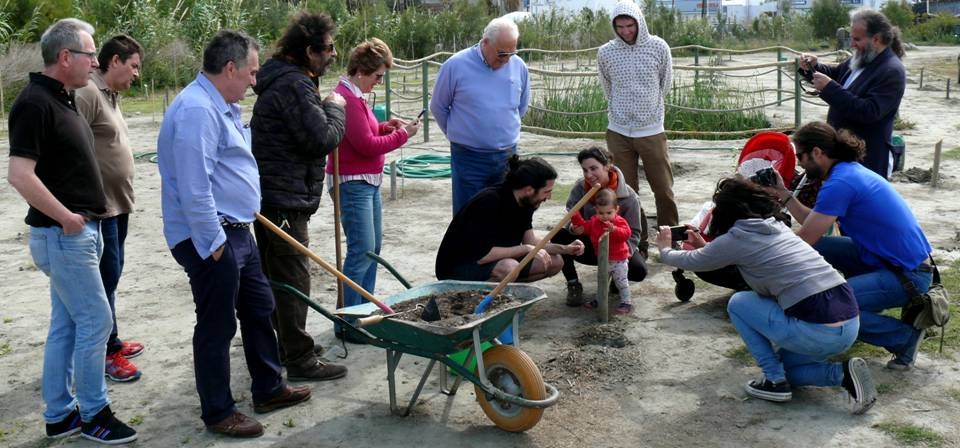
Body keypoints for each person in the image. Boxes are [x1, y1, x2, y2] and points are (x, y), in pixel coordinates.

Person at [158, 30, 311, 438]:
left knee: (260, 310)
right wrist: (215, 247)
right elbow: (195, 188)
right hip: (210, 238)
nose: (254, 81)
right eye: (251, 72)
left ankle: (269, 387)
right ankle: (218, 411)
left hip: (236, 231)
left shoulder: (219, 103)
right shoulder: (196, 110)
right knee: (217, 325)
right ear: (230, 68)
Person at [7, 18, 137, 444]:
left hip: (80, 232)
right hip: (63, 236)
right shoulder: (34, 103)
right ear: (65, 58)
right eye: (89, 54)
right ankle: (95, 413)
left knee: (67, 325)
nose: (95, 61)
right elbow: (19, 174)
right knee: (96, 320)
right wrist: (65, 216)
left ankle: (60, 415)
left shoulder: (63, 98)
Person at [657, 178, 877, 414]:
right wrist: (704, 246)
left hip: (819, 330)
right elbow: (720, 253)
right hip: (849, 322)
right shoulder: (777, 226)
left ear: (724, 213)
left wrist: (665, 248)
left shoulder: (736, 239)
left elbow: (691, 260)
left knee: (740, 302)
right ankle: (843, 374)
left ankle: (773, 380)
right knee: (790, 370)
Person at [768, 121, 932, 371]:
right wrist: (783, 193)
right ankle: (856, 301)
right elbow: (814, 224)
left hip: (908, 275)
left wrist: (765, 264)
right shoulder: (846, 171)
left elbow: (804, 239)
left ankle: (904, 338)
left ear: (817, 153)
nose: (799, 162)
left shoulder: (840, 183)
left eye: (800, 155)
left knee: (833, 307)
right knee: (822, 247)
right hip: (888, 259)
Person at [250, 11, 347, 382]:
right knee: (291, 278)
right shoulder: (293, 84)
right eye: (327, 48)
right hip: (283, 197)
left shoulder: (291, 79)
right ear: (309, 51)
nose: (333, 54)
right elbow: (321, 138)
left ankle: (287, 345)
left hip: (279, 193)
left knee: (279, 275)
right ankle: (300, 359)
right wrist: (336, 108)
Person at [326, 39, 421, 326]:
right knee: (362, 249)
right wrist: (403, 135)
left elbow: (363, 134)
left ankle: (363, 311)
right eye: (378, 76)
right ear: (361, 70)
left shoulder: (356, 97)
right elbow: (366, 145)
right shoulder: (347, 99)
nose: (379, 82)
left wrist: (385, 126)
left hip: (365, 181)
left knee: (372, 248)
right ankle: (348, 320)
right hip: (352, 182)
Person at [74, 33, 146, 383]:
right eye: (133, 66)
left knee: (111, 278)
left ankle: (112, 339)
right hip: (100, 209)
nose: (136, 74)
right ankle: (106, 354)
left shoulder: (111, 95)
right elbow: (71, 149)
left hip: (118, 205)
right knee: (104, 281)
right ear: (114, 61)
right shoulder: (87, 93)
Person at [598, 0, 678, 251]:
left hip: (651, 129)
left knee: (663, 188)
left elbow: (665, 84)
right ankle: (635, 241)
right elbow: (607, 86)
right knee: (626, 191)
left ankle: (670, 238)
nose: (625, 31)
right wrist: (622, 110)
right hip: (619, 130)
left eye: (629, 25)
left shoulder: (658, 47)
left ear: (639, 22)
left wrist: (648, 109)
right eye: (619, 26)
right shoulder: (606, 52)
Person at [430, 17, 530, 214]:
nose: (506, 59)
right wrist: (457, 134)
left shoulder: (519, 66)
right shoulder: (455, 65)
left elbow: (521, 106)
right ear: (485, 42)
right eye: (502, 53)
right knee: (469, 214)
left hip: (507, 156)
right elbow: (438, 106)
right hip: (469, 157)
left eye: (512, 53)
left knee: (505, 213)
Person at [435, 156, 583, 282]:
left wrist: (566, 249)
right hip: (460, 267)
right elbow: (483, 256)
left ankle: (504, 288)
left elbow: (531, 242)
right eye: (547, 192)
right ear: (529, 190)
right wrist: (526, 249)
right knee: (509, 268)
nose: (549, 197)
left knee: (555, 261)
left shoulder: (526, 202)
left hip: (495, 261)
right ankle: (474, 298)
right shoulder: (488, 202)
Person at [798, 8, 906, 179]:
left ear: (876, 39)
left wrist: (829, 88)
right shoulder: (866, 56)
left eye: (857, 39)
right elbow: (836, 75)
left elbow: (869, 112)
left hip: (867, 161)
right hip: (846, 154)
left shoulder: (891, 71)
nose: (852, 44)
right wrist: (813, 67)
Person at [550, 147, 647, 306]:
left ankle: (617, 279)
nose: (588, 175)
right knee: (558, 236)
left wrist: (620, 258)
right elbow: (572, 217)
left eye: (594, 168)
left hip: (617, 247)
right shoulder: (580, 188)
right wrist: (574, 229)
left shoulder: (629, 197)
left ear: (607, 165)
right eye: (584, 170)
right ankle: (573, 284)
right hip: (589, 243)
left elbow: (634, 233)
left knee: (639, 271)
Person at [569, 188, 634, 314]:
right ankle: (599, 300)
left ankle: (626, 302)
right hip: (603, 259)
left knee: (622, 282)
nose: (605, 216)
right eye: (601, 213)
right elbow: (583, 227)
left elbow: (627, 234)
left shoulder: (619, 221)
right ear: (596, 211)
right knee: (602, 282)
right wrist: (574, 214)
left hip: (619, 260)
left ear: (616, 210)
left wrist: (614, 229)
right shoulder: (594, 221)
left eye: (609, 213)